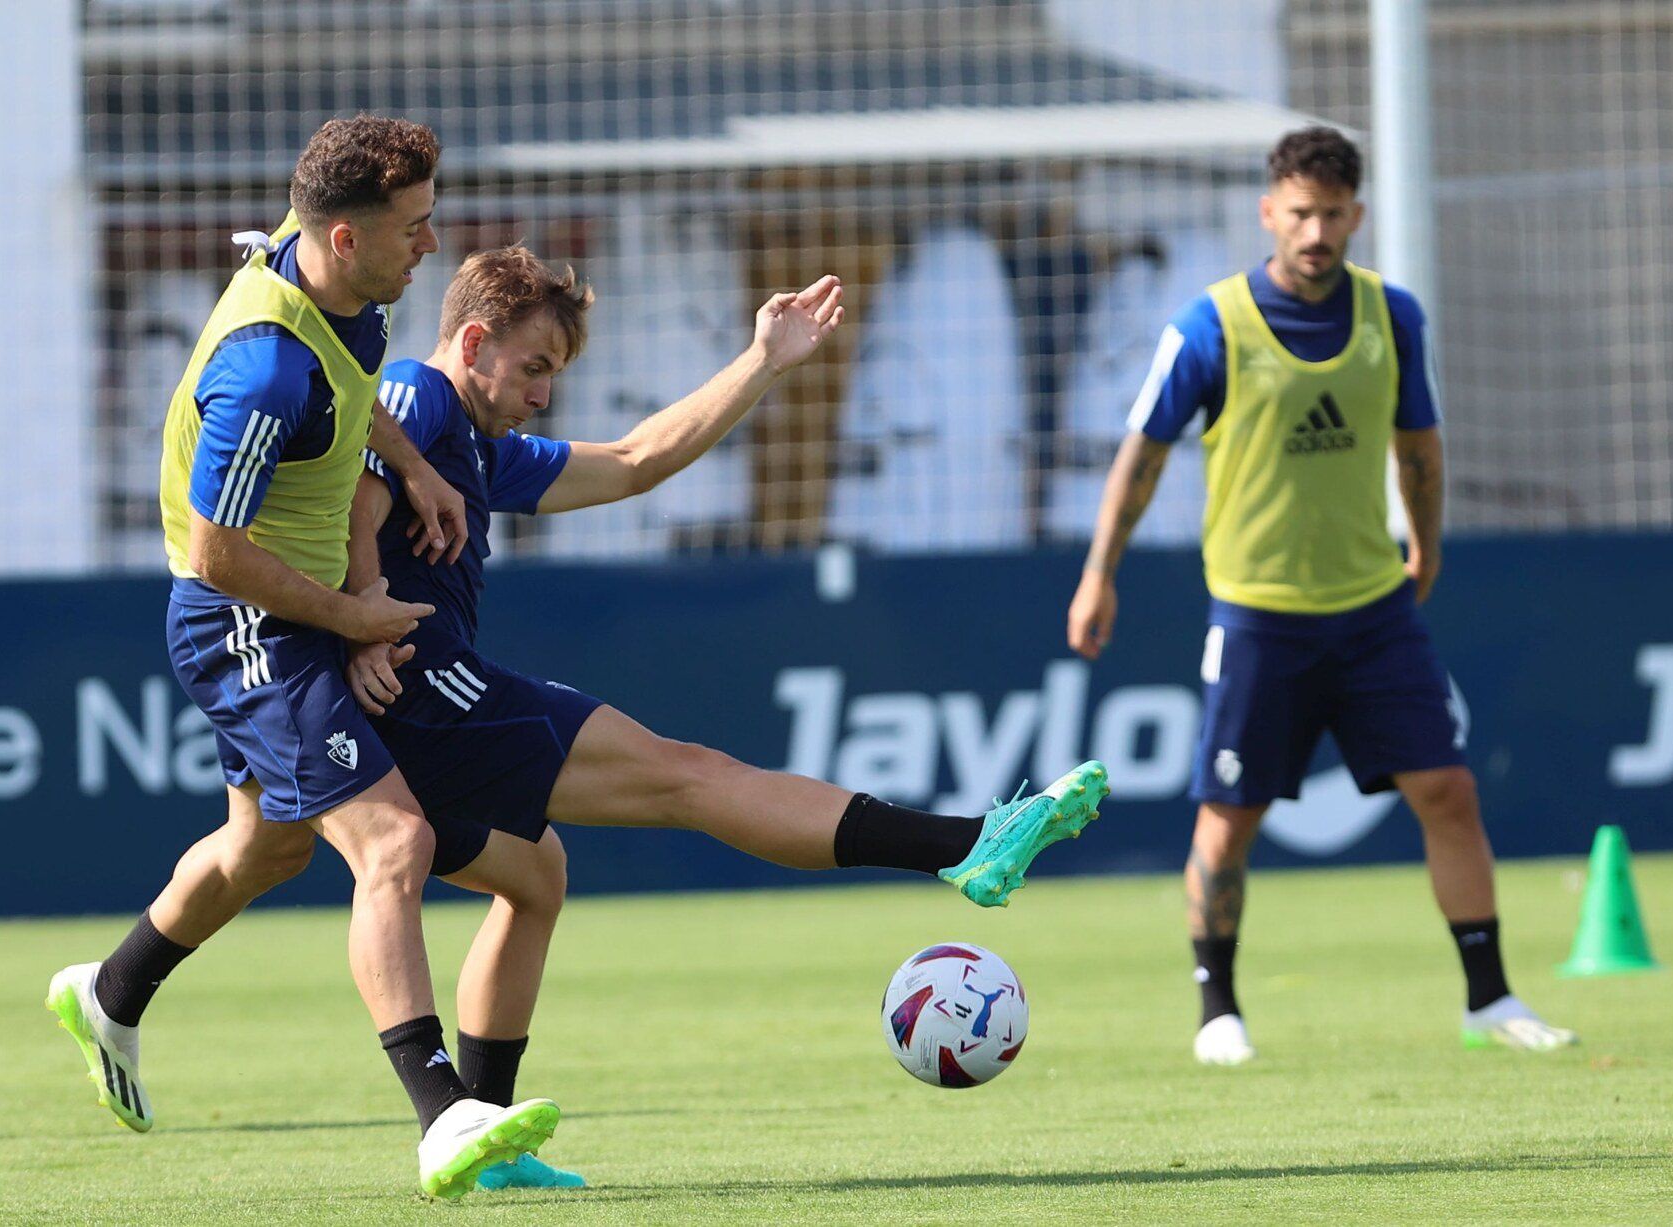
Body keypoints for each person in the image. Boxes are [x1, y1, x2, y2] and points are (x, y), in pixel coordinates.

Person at [340, 247, 1110, 1187]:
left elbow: (634, 462)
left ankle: (486, 1142)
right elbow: (354, 490)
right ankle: (966, 846)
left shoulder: (473, 446)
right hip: (425, 690)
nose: (545, 395)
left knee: (537, 873)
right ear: (473, 342)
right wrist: (362, 617)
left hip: (407, 703)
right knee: (689, 778)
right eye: (535, 368)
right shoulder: (419, 396)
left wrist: (763, 360)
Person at [45, 116, 563, 1200]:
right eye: (413, 227)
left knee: (267, 849)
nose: (432, 244)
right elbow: (224, 557)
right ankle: (442, 1115)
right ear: (338, 236)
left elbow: (354, 384)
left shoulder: (339, 290)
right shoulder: (263, 373)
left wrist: (412, 467)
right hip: (239, 620)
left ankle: (114, 990)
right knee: (392, 840)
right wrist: (354, 612)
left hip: (298, 602)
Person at [1065, 126, 1575, 1067]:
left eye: (1333, 214)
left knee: (1449, 791)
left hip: (1374, 609)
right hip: (1260, 615)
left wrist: (1424, 542)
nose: (1316, 231)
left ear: (1357, 217)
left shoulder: (1394, 317)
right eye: (1300, 212)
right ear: (1270, 212)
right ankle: (1218, 1008)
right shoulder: (1210, 326)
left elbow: (1417, 445)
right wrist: (1101, 571)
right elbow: (1142, 456)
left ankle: (1489, 997)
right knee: (1230, 818)